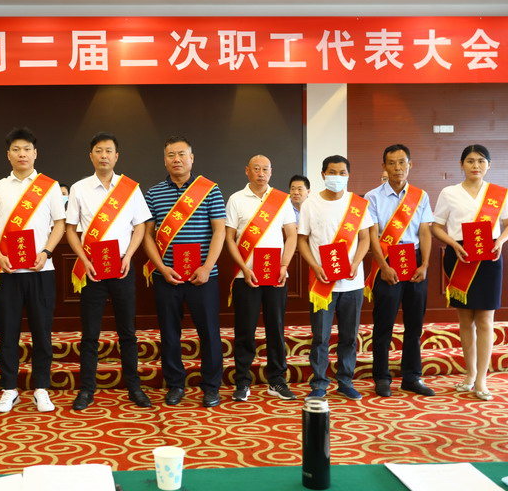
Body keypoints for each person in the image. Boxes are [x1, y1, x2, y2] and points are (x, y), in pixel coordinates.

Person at [0, 128, 66, 413]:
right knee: (8, 333)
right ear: (8, 155)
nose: (22, 154)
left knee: (42, 332)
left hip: (42, 270)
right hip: (8, 272)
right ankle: (9, 389)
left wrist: (46, 252)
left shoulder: (49, 186)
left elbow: (60, 224)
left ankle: (41, 388)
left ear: (35, 153)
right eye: (16, 149)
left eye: (27, 149)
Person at [66, 133, 152, 410]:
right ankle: (86, 390)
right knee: (90, 333)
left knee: (127, 332)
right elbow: (70, 229)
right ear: (91, 156)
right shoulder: (79, 188)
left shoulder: (130, 188)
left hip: (122, 267)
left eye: (108, 151)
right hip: (92, 269)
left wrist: (129, 256)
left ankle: (134, 387)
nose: (104, 155)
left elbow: (140, 226)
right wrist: (84, 259)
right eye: (99, 150)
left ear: (117, 156)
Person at [143, 136, 226, 408]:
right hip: (167, 277)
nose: (176, 159)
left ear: (192, 158)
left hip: (204, 277)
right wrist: (161, 267)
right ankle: (175, 384)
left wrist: (207, 267)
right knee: (170, 333)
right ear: (164, 160)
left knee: (209, 333)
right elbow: (147, 235)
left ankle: (211, 387)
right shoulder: (153, 194)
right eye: (171, 155)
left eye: (181, 154)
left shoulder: (210, 190)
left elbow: (219, 231)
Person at [431, 144, 508, 401]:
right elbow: (436, 226)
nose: (475, 165)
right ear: (461, 164)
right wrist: (453, 244)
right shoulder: (449, 192)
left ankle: (482, 379)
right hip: (461, 256)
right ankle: (470, 374)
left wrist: (500, 241)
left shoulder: (498, 193)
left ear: (489, 165)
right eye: (470, 160)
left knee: (486, 320)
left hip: (489, 257)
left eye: (480, 161)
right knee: (465, 320)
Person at [297, 155, 372, 400]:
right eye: (332, 172)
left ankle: (345, 381)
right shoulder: (310, 204)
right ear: (323, 175)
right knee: (321, 336)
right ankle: (319, 383)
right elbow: (302, 240)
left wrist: (356, 262)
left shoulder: (357, 204)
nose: (337, 177)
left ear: (348, 176)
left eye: (342, 173)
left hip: (352, 282)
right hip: (322, 281)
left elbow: (365, 238)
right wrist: (314, 265)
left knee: (349, 336)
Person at [364, 145, 435, 398]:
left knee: (414, 324)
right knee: (383, 324)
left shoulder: (420, 196)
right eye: (392, 163)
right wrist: (383, 266)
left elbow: (425, 231)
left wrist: (425, 264)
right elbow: (372, 235)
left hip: (414, 261)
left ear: (410, 164)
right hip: (387, 261)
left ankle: (411, 377)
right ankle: (381, 377)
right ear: (384, 166)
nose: (397, 168)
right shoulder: (372, 197)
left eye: (402, 162)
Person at [225, 155, 298, 402]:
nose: (261, 173)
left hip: (276, 275)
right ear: (247, 171)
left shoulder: (282, 199)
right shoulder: (236, 199)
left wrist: (284, 265)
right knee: (245, 329)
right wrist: (243, 268)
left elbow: (292, 235)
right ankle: (242, 381)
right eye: (256, 169)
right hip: (245, 276)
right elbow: (229, 238)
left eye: (265, 169)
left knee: (276, 328)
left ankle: (277, 380)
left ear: (271, 171)